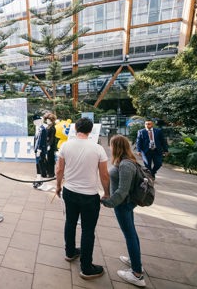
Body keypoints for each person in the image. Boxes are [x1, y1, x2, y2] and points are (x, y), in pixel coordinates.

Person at [55, 117, 110, 280]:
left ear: (76, 129)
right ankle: (86, 267)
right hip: (89, 195)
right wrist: (106, 193)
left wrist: (58, 186)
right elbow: (104, 175)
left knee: (70, 223)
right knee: (88, 230)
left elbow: (59, 169)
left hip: (70, 191)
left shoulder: (65, 145)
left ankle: (70, 252)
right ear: (90, 130)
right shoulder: (98, 148)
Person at [101, 135, 146, 287]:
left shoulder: (126, 165)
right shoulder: (125, 161)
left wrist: (108, 202)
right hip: (126, 204)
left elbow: (122, 191)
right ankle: (135, 261)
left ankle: (137, 274)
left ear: (117, 147)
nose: (110, 148)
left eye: (111, 145)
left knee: (130, 235)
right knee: (131, 233)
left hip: (123, 204)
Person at [33, 114, 47, 188]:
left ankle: (43, 181)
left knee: (41, 165)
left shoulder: (43, 129)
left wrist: (39, 150)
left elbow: (42, 141)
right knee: (38, 165)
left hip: (40, 151)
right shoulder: (38, 129)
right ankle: (39, 179)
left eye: (35, 121)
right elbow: (36, 140)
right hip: (37, 150)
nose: (34, 122)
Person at [44, 112, 58, 178]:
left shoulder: (53, 128)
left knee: (51, 159)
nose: (47, 121)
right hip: (46, 145)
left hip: (51, 146)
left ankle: (51, 173)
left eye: (48, 120)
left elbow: (52, 138)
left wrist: (49, 145)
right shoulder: (47, 128)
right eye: (46, 120)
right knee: (46, 159)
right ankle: (47, 171)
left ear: (52, 121)